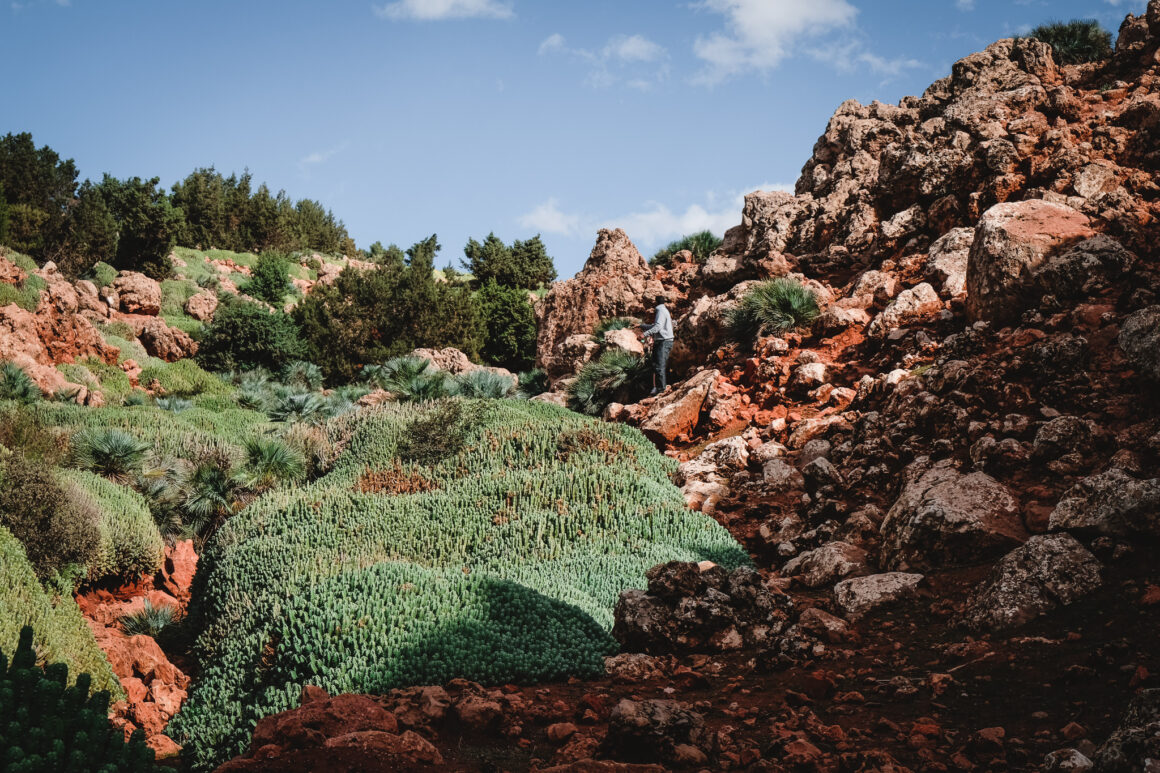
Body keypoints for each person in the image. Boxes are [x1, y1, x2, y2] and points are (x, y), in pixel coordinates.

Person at [638, 295, 674, 395]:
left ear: (655, 302)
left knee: (659, 366)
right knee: (656, 365)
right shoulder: (664, 310)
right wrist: (642, 326)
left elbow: (658, 327)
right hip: (663, 341)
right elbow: (656, 326)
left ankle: (661, 390)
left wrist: (643, 334)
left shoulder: (660, 310)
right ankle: (659, 387)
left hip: (663, 341)